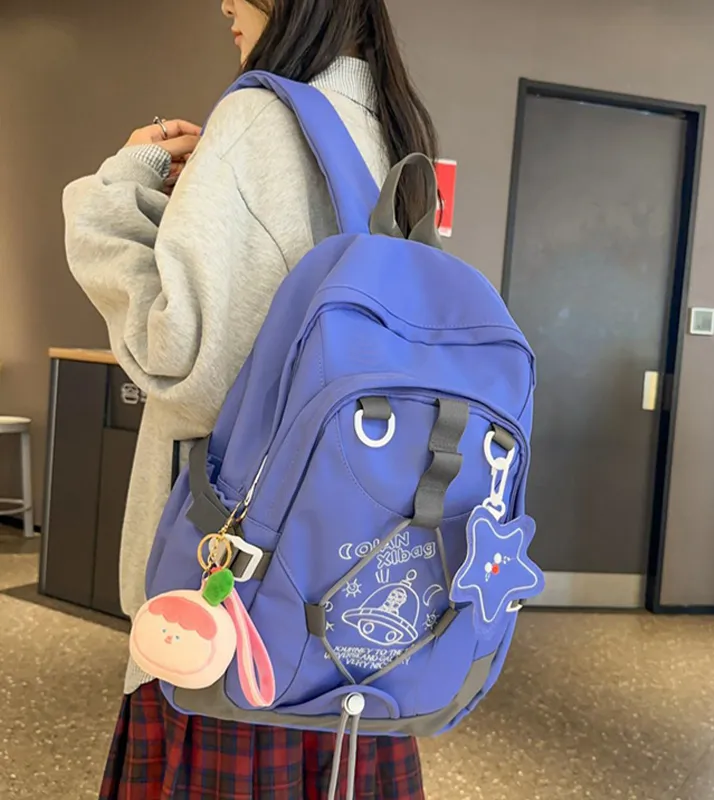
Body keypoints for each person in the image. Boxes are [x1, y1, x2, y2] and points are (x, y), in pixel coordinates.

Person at [62, 1, 438, 797]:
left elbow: (184, 363)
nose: (226, 3)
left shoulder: (260, 116)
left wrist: (121, 187)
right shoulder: (391, 127)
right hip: (349, 597)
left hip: (235, 591)